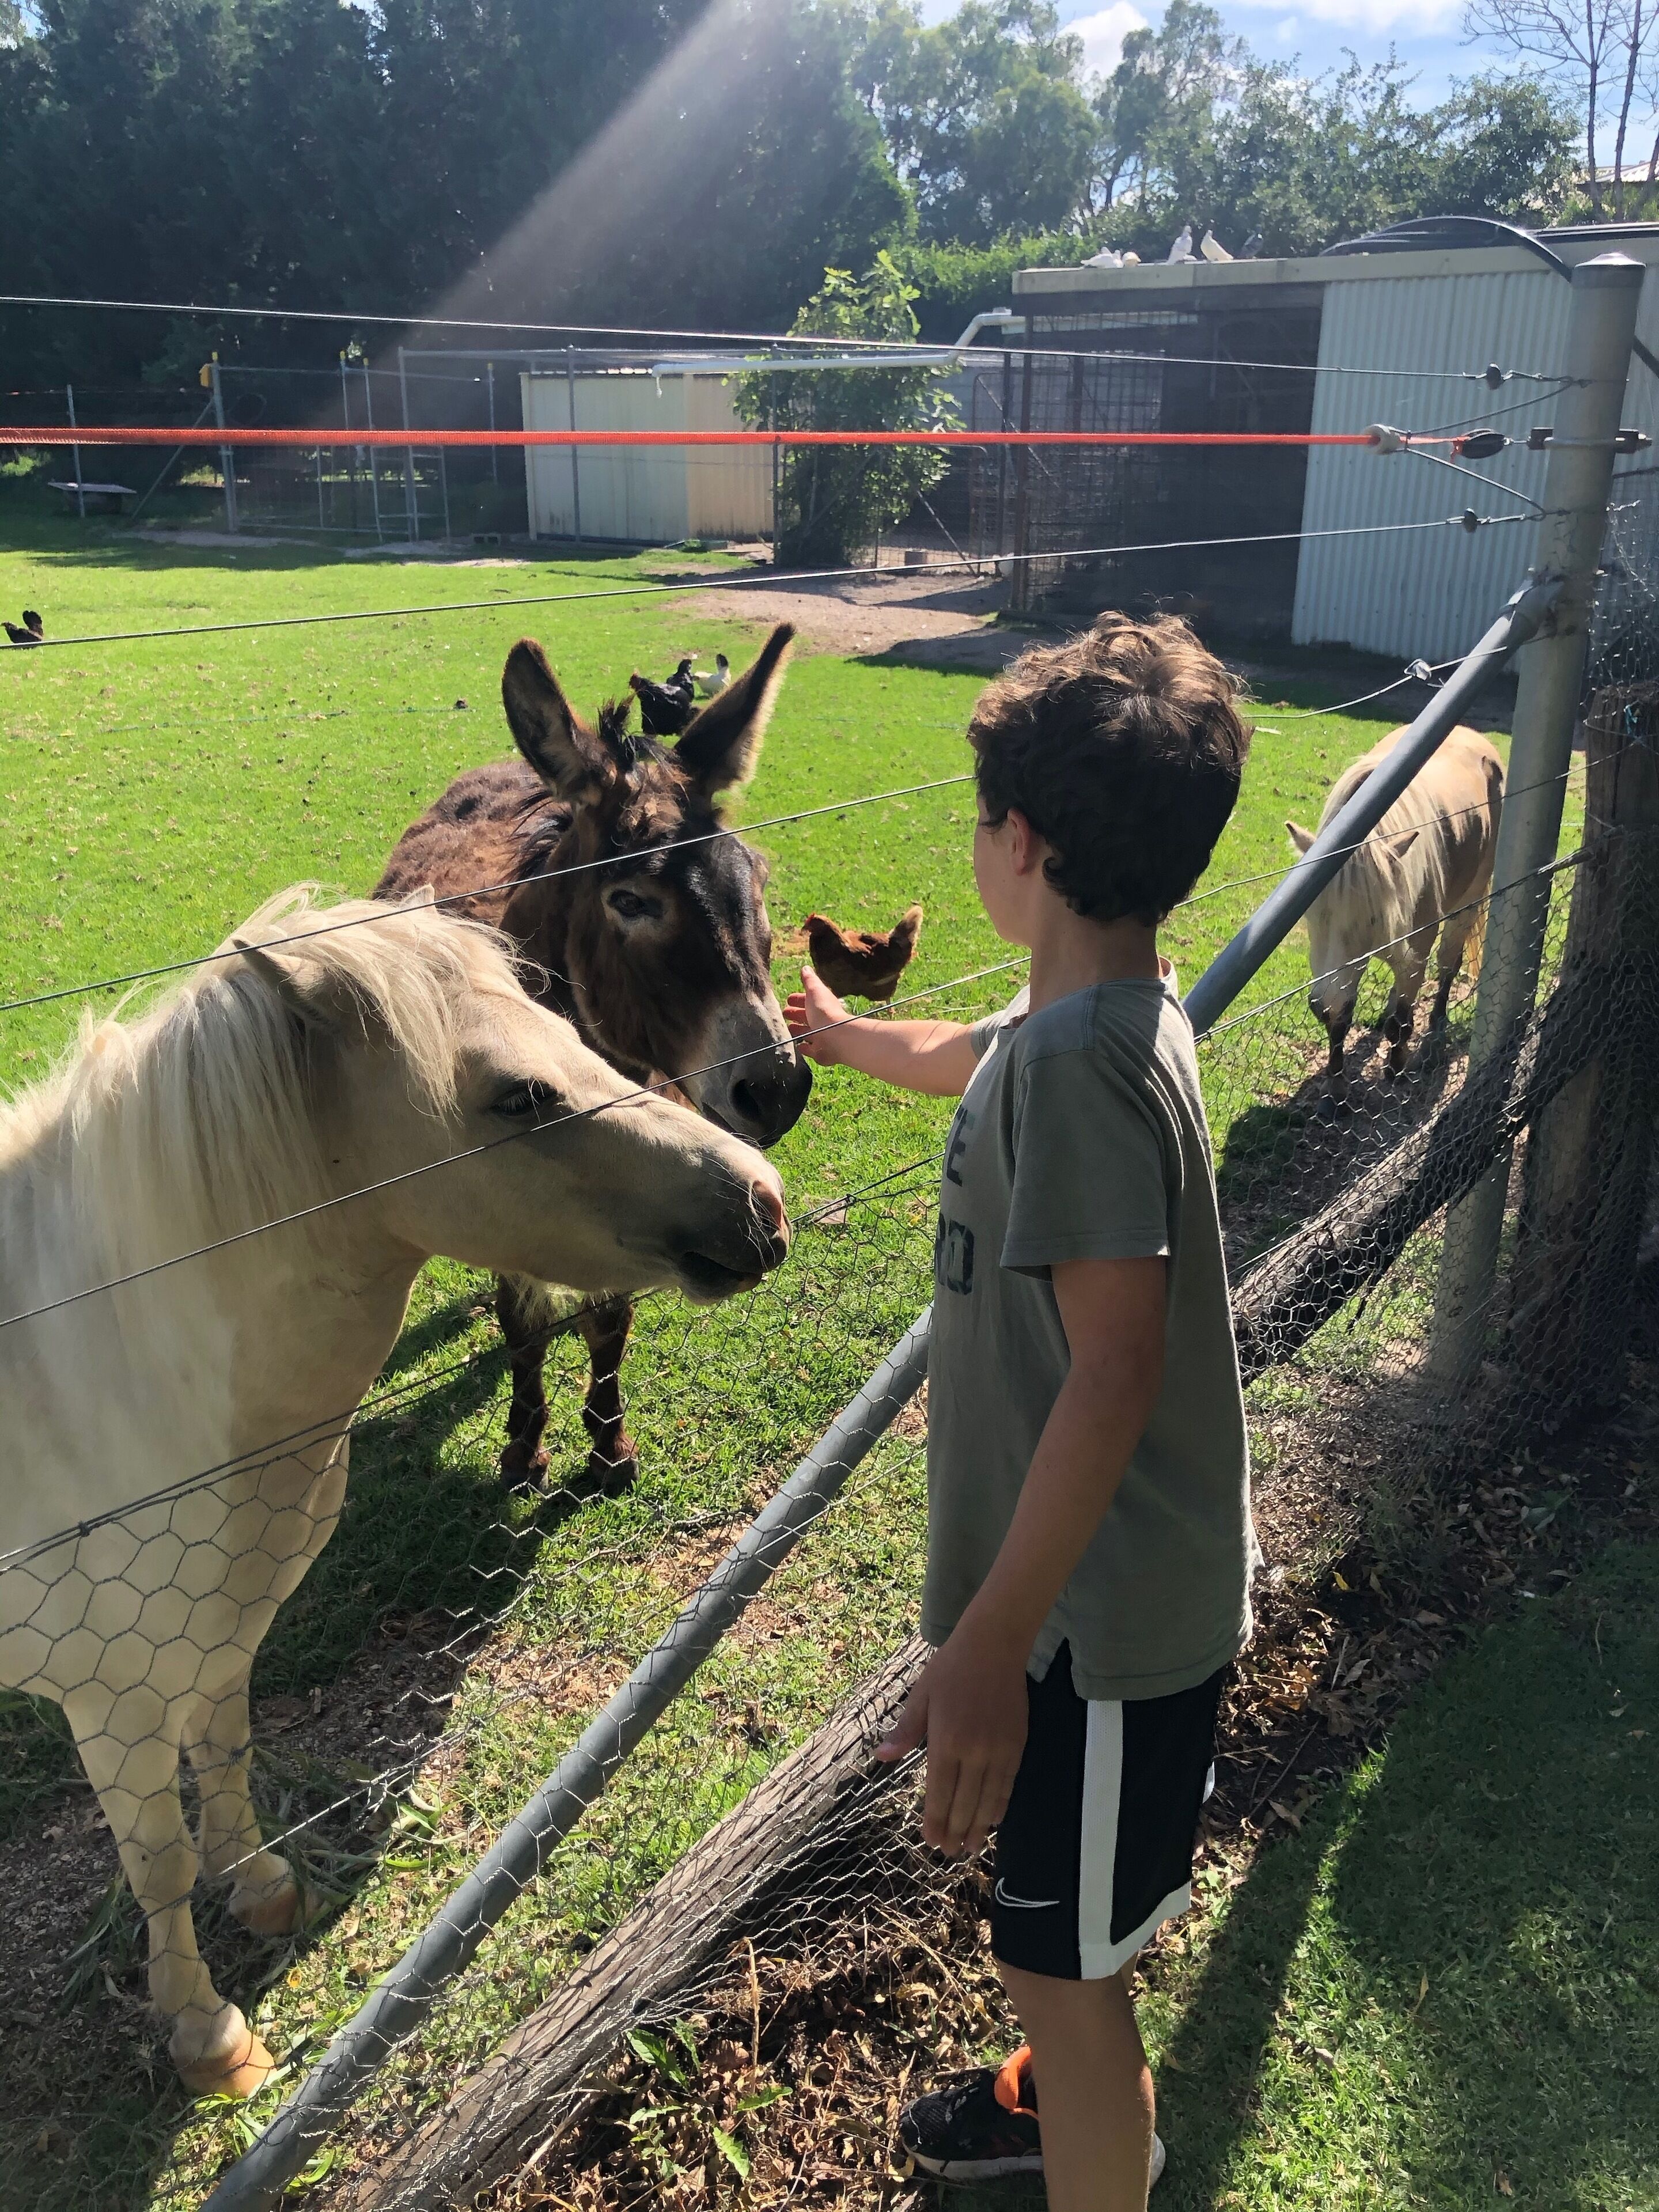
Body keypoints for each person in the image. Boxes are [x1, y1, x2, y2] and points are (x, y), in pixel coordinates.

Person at [785, 613, 1255, 2211]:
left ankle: (1093, 2137)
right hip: (1082, 1609)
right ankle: (1065, 2098)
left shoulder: (1081, 1072)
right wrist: (847, 1040)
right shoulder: (1096, 1020)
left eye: (980, 818)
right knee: (1063, 1927)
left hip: (1097, 1630)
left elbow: (1114, 1372)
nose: (971, 845)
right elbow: (969, 1051)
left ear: (1025, 844)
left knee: (1063, 1961)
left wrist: (988, 1644)